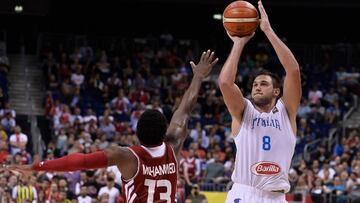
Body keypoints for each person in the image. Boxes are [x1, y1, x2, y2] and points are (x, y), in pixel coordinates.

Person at [4, 50, 218, 203]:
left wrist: (36, 167)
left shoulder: (127, 156)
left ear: (137, 133)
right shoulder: (174, 144)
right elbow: (185, 108)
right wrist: (198, 76)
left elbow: (79, 161)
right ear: (165, 132)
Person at [218, 1, 301, 202]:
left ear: (276, 91)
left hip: (277, 197)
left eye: (263, 84)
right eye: (255, 84)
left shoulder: (286, 111)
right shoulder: (243, 110)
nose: (256, 87)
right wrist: (238, 43)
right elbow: (225, 83)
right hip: (245, 193)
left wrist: (268, 31)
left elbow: (293, 71)